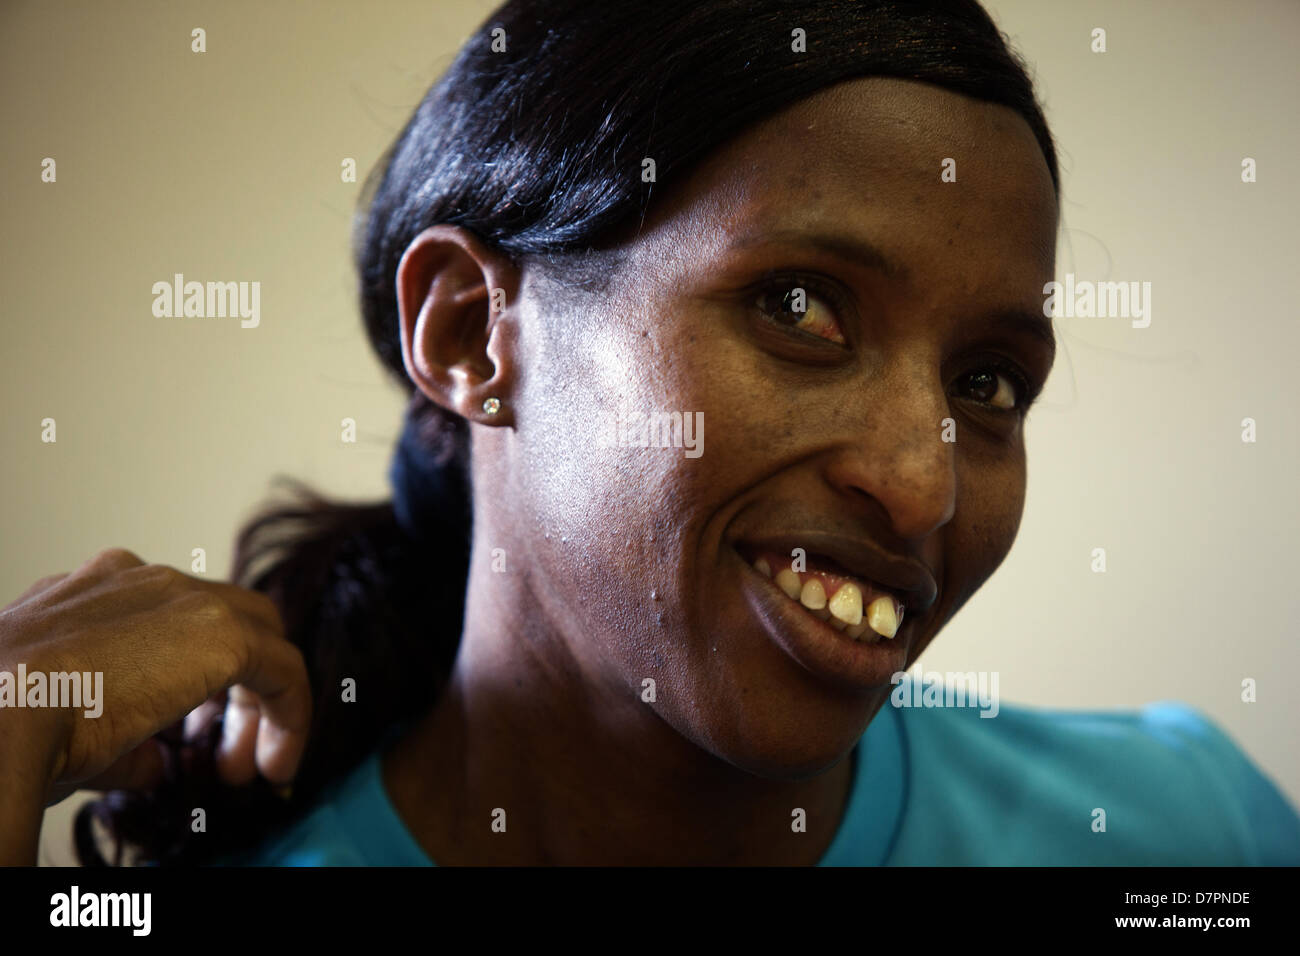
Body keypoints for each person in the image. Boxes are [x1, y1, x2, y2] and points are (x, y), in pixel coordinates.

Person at [2, 0, 1296, 867]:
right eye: (801, 308)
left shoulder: (1190, 835)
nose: (922, 484)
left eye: (991, 383)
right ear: (471, 332)